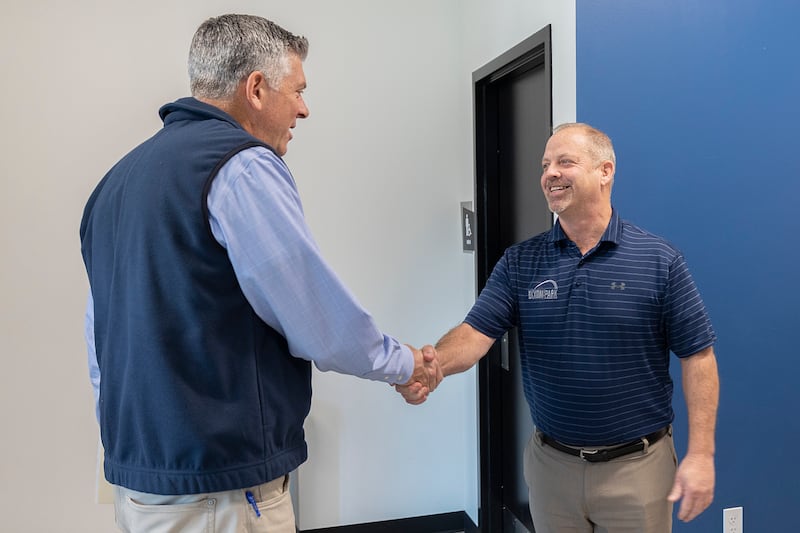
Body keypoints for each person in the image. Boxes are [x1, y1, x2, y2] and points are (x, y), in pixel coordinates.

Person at [80, 14, 441, 533]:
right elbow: (315, 314)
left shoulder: (113, 185)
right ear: (255, 88)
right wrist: (404, 365)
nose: (303, 108)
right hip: (219, 494)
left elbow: (99, 343)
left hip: (141, 485)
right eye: (297, 90)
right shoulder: (241, 165)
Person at [397, 123, 719, 532]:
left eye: (565, 161)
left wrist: (702, 455)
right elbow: (475, 334)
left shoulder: (659, 260)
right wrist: (431, 363)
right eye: (545, 164)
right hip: (552, 467)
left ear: (605, 171)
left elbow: (698, 355)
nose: (550, 173)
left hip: (637, 470)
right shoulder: (520, 262)